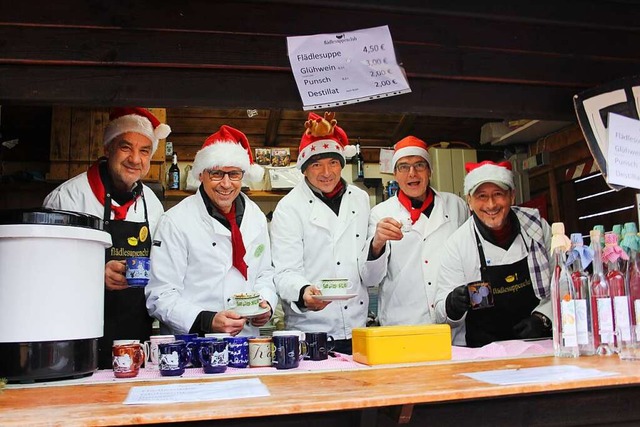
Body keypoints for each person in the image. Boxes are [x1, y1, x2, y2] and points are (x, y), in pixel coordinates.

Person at [43, 107, 170, 368]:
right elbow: (43, 270)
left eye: (145, 150)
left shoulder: (152, 204)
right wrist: (93, 275)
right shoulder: (67, 198)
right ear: (108, 148)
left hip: (134, 335)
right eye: (126, 147)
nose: (135, 159)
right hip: (76, 335)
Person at [145, 125, 277, 337]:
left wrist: (265, 303)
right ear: (201, 175)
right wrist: (207, 320)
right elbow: (160, 294)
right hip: (194, 343)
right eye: (216, 173)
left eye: (234, 174)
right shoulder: (175, 221)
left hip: (246, 342)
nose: (226, 184)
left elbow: (264, 273)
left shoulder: (256, 217)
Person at [270, 112, 370, 354]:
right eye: (316, 164)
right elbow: (284, 271)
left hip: (359, 328)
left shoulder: (361, 198)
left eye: (333, 162)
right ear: (304, 170)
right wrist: (304, 292)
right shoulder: (289, 207)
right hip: (312, 331)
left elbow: (368, 261)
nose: (327, 172)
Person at [433, 160, 552, 347]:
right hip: (483, 353)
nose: (491, 204)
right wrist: (452, 304)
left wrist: (543, 318)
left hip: (538, 345)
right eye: (481, 196)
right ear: (469, 201)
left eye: (498, 194)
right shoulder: (458, 244)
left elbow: (562, 283)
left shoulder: (537, 228)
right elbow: (442, 314)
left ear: (512, 196)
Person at [359, 136, 469, 326]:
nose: (412, 173)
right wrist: (377, 244)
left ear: (430, 171)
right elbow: (370, 279)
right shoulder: (380, 213)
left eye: (419, 165)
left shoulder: (455, 206)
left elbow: (470, 258)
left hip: (452, 324)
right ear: (395, 173)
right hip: (402, 325)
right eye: (403, 166)